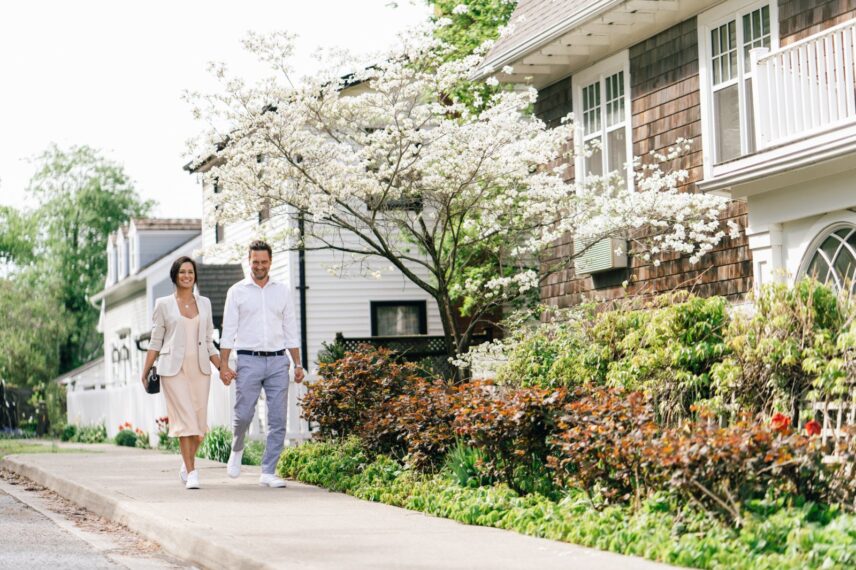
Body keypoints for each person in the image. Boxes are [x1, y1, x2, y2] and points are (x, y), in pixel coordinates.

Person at [219, 240, 304, 487]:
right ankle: (237, 449)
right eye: (255, 262)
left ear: (270, 262)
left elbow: (290, 330)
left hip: (278, 360)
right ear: (249, 261)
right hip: (248, 359)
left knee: (277, 419)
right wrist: (225, 365)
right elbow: (228, 331)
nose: (259, 266)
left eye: (263, 262)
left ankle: (268, 471)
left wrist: (297, 363)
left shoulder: (282, 291)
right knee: (243, 414)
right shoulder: (237, 291)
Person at [142, 256, 221, 490]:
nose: (187, 276)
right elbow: (155, 341)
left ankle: (186, 465)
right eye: (182, 272)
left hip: (200, 370)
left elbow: (209, 341)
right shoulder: (163, 304)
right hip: (172, 370)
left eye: (191, 272)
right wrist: (145, 371)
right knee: (185, 421)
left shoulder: (204, 303)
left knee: (199, 428)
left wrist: (222, 367)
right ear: (175, 276)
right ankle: (193, 471)